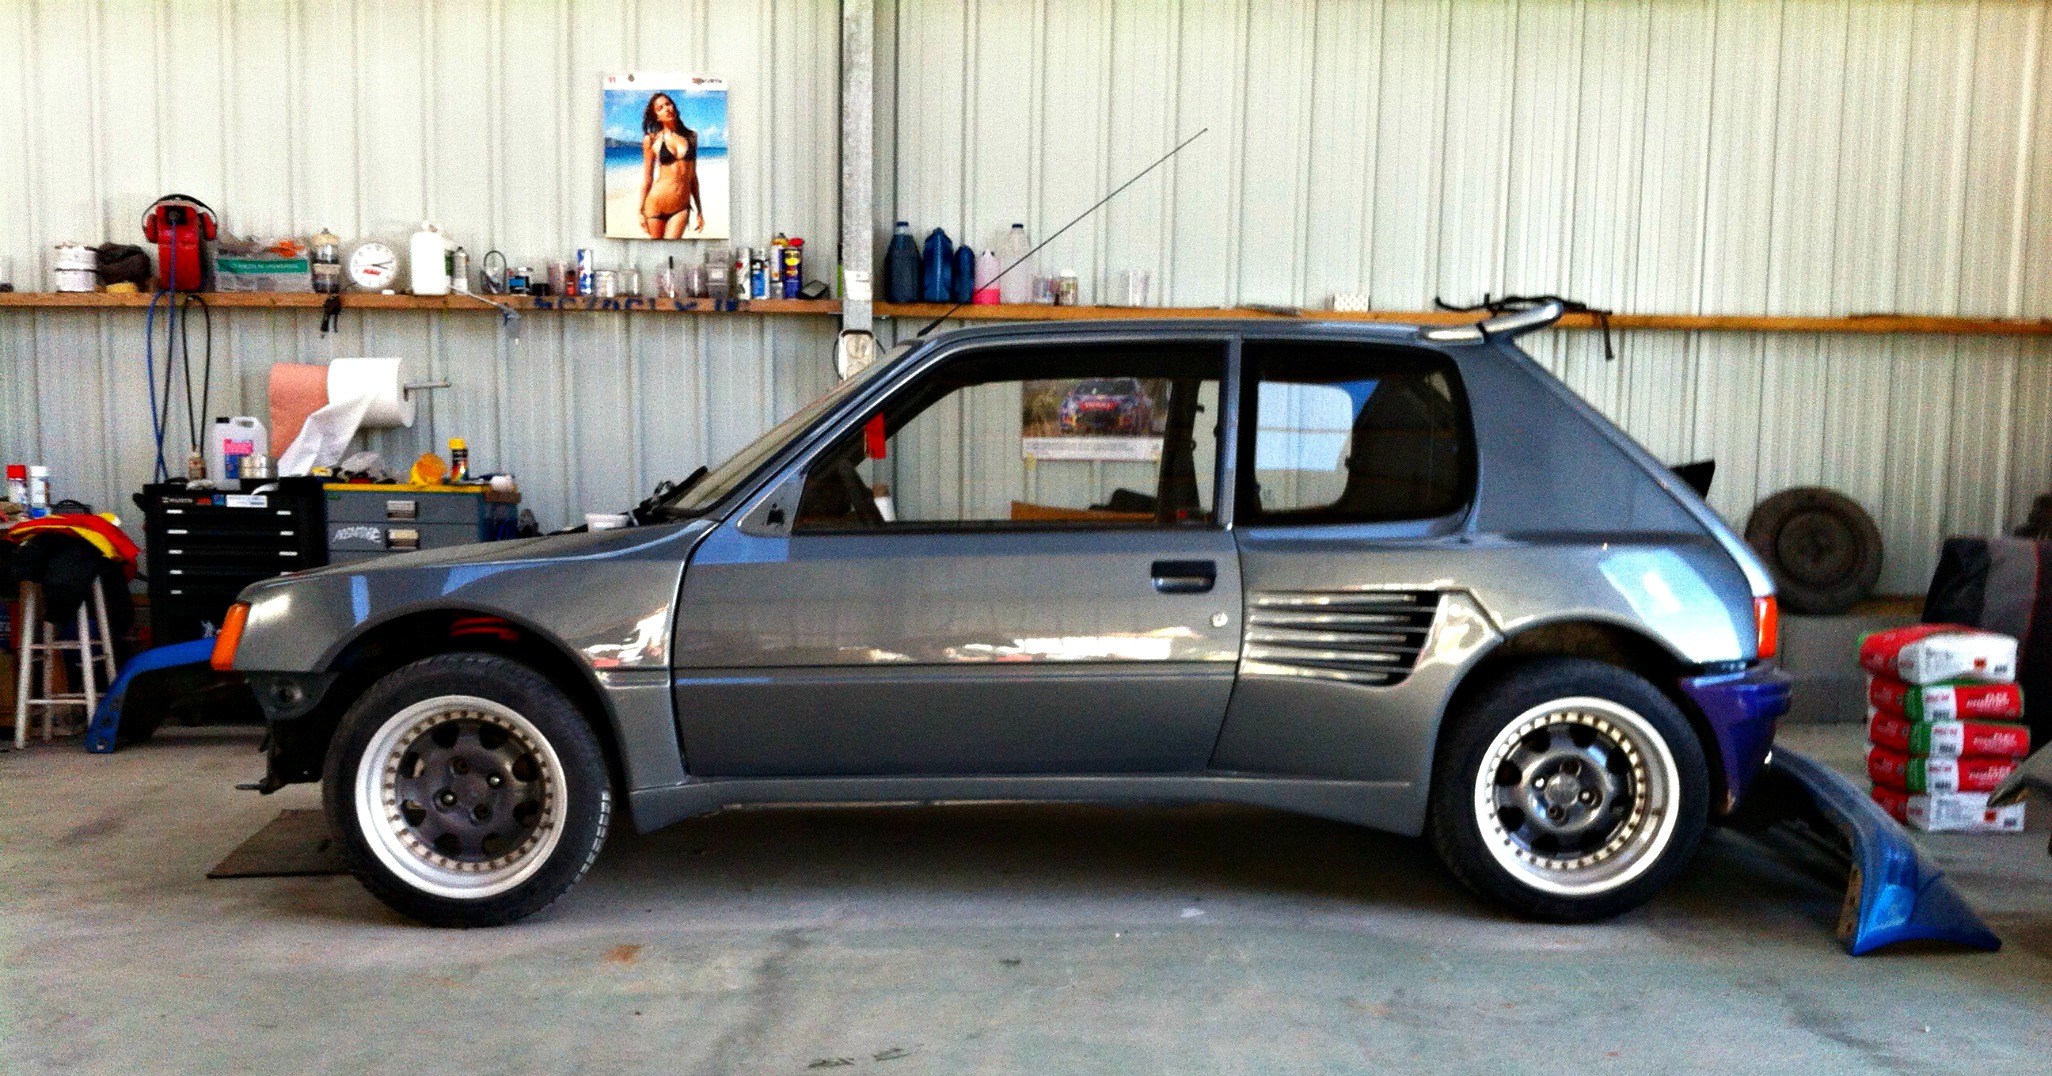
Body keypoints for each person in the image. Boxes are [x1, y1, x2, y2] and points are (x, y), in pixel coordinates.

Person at [637, 92, 703, 238]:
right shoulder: (651, 140)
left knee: (672, 246)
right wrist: (640, 211)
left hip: (681, 207)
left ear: (674, 106)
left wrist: (699, 210)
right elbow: (647, 178)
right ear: (657, 116)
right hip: (655, 206)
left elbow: (692, 177)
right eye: (660, 108)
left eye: (668, 104)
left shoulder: (691, 137)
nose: (666, 109)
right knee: (656, 251)